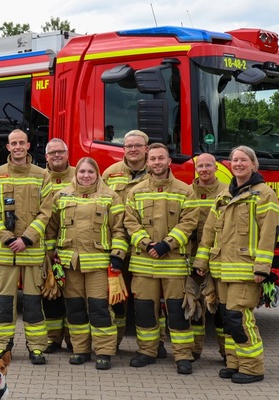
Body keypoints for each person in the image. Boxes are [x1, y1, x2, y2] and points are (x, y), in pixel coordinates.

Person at [193, 145, 278, 384]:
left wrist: (263, 267)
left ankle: (252, 368)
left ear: (253, 164)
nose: (238, 164)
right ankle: (234, 362)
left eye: (243, 160)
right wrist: (201, 263)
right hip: (221, 270)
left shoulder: (264, 194)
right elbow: (209, 232)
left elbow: (268, 233)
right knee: (227, 319)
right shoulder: (224, 196)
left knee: (239, 318)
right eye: (234, 160)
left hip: (246, 271)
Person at [45, 157, 128, 370]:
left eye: (90, 172)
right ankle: (80, 350)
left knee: (100, 309)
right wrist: (49, 258)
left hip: (99, 265)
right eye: (82, 171)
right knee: (75, 309)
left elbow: (119, 229)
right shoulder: (61, 196)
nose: (85, 175)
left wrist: (118, 255)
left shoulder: (111, 197)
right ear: (76, 173)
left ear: (97, 174)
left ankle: (104, 352)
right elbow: (51, 229)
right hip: (69, 265)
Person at [123, 143, 198, 374]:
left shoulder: (185, 191)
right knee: (145, 310)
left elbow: (189, 222)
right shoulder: (135, 192)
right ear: (147, 162)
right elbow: (129, 222)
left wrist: (168, 244)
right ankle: (148, 351)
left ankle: (183, 355)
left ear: (168, 161)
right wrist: (146, 244)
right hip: (144, 263)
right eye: (153, 158)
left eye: (161, 158)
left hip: (174, 263)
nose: (156, 162)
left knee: (177, 311)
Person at [0, 129, 52, 365]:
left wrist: (27, 239)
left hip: (31, 250)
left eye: (22, 142)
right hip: (5, 251)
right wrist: (5, 237)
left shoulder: (42, 175)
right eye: (14, 143)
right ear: (9, 147)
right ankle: (1, 347)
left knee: (33, 303)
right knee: (3, 304)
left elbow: (46, 212)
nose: (18, 146)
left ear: (29, 145)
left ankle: (36, 348)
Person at [101, 129, 154, 351]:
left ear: (146, 149)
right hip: (117, 248)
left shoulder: (157, 172)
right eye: (128, 146)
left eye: (137, 145)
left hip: (146, 249)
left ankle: (154, 345)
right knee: (117, 299)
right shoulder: (111, 174)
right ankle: (115, 344)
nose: (133, 149)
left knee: (147, 300)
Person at [188, 153, 228, 361]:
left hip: (220, 257)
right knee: (194, 305)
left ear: (215, 168)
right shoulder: (187, 192)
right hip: (193, 257)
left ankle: (226, 353)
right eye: (200, 166)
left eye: (208, 166)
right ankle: (195, 350)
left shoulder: (227, 192)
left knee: (221, 307)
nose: (204, 169)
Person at [42, 138, 74, 354]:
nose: (56, 155)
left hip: (73, 247)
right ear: (46, 157)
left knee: (73, 295)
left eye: (60, 152)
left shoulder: (80, 174)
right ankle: (53, 339)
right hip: (46, 247)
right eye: (52, 152)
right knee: (50, 295)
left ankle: (74, 339)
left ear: (67, 153)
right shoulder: (39, 177)